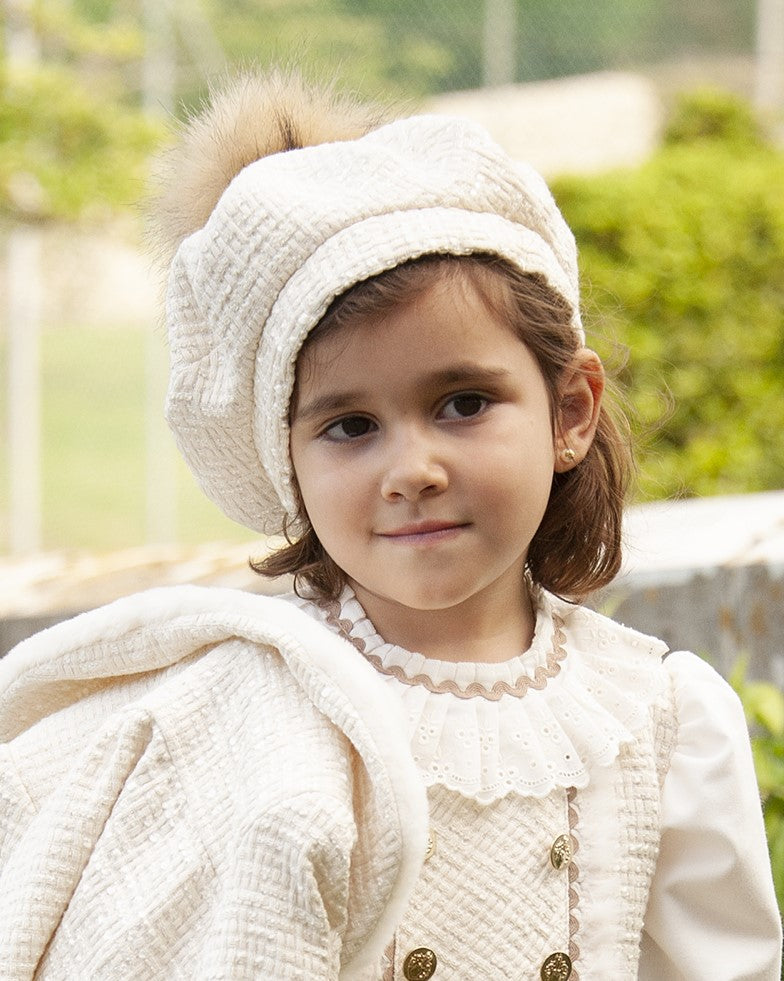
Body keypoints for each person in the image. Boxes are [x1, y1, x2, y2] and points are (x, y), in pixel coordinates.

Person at [0, 68, 780, 980]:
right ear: (288, 462)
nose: (413, 470)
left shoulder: (657, 721)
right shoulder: (245, 716)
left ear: (569, 410)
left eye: (463, 402)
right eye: (350, 426)